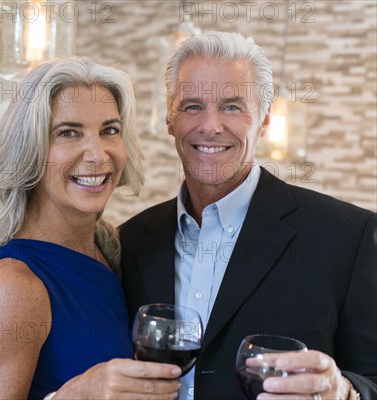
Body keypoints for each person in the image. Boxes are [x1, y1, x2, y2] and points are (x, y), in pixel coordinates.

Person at [120, 31, 377, 400]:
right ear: (169, 118)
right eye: (192, 106)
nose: (210, 126)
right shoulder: (129, 241)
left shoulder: (348, 237)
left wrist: (345, 392)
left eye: (231, 107)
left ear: (264, 120)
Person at [0, 57, 182, 399]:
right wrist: (76, 394)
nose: (97, 154)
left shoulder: (111, 251)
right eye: (68, 133)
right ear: (29, 151)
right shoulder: (13, 286)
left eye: (109, 130)